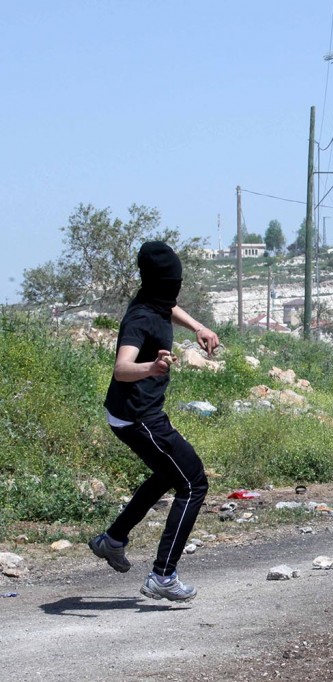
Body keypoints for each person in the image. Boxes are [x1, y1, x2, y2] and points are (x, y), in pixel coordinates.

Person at [89, 241, 220, 603]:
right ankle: (163, 575)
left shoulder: (155, 299)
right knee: (193, 483)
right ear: (161, 282)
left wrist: (198, 326)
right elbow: (121, 367)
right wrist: (152, 367)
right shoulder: (140, 317)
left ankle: (112, 540)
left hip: (132, 414)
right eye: (172, 282)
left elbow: (171, 307)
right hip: (138, 417)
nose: (175, 289)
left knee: (167, 474)